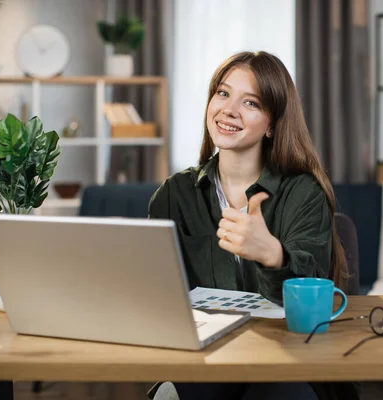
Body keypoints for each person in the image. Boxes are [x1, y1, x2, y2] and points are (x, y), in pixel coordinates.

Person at [147, 51, 357, 400]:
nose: (229, 110)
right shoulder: (175, 193)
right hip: (205, 361)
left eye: (251, 103)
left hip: (289, 362)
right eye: (223, 93)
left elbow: (318, 301)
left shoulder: (304, 191)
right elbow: (155, 291)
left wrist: (273, 254)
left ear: (272, 124)